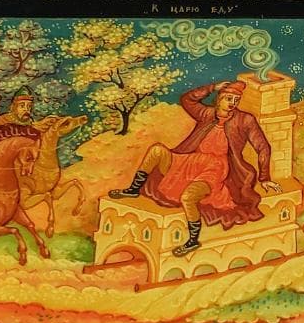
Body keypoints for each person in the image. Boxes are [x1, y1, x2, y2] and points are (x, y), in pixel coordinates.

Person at [109, 80, 282, 257]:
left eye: (236, 100)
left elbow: (263, 146)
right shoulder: (207, 113)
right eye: (228, 98)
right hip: (189, 162)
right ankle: (133, 189)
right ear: (219, 99)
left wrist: (264, 178)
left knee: (188, 197)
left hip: (215, 169)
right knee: (157, 151)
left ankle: (192, 241)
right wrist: (211, 87)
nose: (232, 103)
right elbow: (187, 100)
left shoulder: (245, 119)